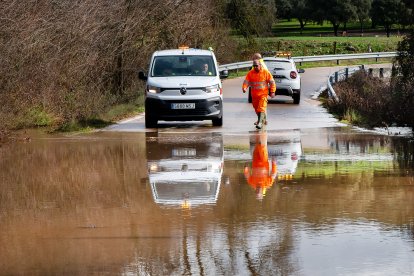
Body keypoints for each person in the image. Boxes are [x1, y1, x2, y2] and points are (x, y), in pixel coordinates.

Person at [242, 59, 276, 129]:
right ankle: (261, 120)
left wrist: (272, 91)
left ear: (260, 65)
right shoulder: (250, 73)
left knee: (261, 108)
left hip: (263, 94)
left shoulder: (266, 73)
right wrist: (244, 88)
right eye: (254, 66)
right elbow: (246, 82)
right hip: (254, 95)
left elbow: (272, 82)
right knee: (256, 109)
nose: (255, 67)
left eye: (256, 66)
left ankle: (260, 123)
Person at [244, 131, 277, 200]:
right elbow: (273, 173)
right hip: (264, 161)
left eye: (257, 192)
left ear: (255, 191)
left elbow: (247, 175)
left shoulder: (252, 183)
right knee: (263, 147)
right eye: (259, 192)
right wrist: (274, 164)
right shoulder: (268, 184)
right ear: (262, 192)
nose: (258, 191)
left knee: (257, 146)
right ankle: (263, 132)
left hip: (255, 161)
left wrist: (246, 168)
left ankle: (257, 133)